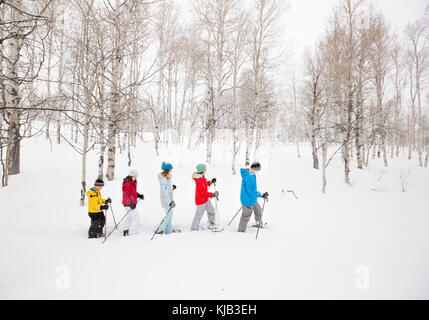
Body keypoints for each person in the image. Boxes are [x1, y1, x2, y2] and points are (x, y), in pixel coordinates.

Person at [238, 162, 269, 232]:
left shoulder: (250, 174)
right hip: (248, 200)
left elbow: (251, 190)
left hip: (251, 198)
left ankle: (258, 223)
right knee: (246, 216)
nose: (258, 172)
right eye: (258, 170)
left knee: (258, 209)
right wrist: (261, 195)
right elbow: (251, 191)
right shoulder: (250, 177)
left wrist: (261, 194)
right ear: (255, 169)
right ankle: (241, 230)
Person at [191, 163, 219, 231]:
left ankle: (211, 222)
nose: (206, 170)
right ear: (202, 170)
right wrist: (212, 194)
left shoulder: (202, 177)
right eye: (205, 169)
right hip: (201, 201)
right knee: (198, 215)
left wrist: (211, 182)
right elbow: (203, 192)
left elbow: (205, 184)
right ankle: (194, 229)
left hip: (205, 200)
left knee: (211, 210)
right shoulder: (199, 180)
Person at [155, 161, 179, 235]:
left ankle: (168, 230)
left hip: (169, 198)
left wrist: (172, 187)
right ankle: (160, 230)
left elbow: (167, 187)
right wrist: (169, 202)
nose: (171, 170)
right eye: (170, 169)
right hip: (166, 199)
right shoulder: (163, 179)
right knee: (169, 214)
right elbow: (164, 191)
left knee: (170, 214)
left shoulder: (167, 176)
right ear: (167, 170)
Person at [122, 170, 144, 236]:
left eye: (136, 177)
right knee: (135, 217)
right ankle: (132, 232)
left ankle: (125, 230)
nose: (135, 178)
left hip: (130, 203)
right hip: (128, 203)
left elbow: (132, 193)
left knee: (130, 217)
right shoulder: (127, 183)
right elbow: (126, 194)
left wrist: (138, 195)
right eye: (134, 176)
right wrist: (130, 203)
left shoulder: (131, 183)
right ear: (130, 176)